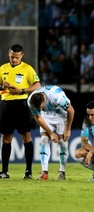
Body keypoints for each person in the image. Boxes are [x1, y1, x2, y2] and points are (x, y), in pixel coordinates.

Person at [0, 44, 41, 179]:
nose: (14, 60)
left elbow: (37, 84)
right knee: (6, 138)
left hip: (21, 105)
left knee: (26, 137)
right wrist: (2, 86)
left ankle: (28, 171)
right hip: (6, 105)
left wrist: (22, 90)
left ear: (21, 56)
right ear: (9, 54)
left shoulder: (27, 68)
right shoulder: (3, 68)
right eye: (12, 57)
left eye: (17, 57)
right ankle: (4, 171)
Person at [27, 85, 75, 180]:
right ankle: (44, 173)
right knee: (44, 139)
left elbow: (71, 110)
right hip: (47, 115)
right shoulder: (30, 101)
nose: (40, 108)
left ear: (44, 99)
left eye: (41, 106)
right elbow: (38, 117)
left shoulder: (57, 97)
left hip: (61, 114)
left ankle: (62, 172)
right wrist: (51, 133)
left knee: (62, 142)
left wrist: (68, 129)